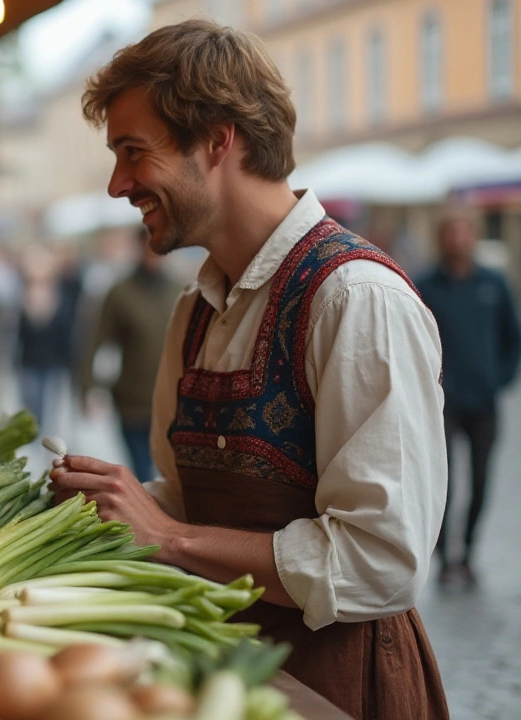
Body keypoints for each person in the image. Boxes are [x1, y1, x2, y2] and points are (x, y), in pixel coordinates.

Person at [48, 20, 448, 718]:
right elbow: (185, 500)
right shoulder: (195, 307)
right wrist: (110, 510)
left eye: (133, 152)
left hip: (337, 687)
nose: (118, 184)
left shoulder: (356, 300)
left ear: (217, 139)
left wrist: (166, 536)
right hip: (221, 670)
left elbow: (380, 564)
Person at [417, 212, 521, 585]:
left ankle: (469, 551)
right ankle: (446, 557)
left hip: (484, 402)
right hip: (441, 403)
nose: (458, 240)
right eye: (451, 233)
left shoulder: (493, 283)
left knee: (480, 481)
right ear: (441, 238)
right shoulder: (424, 284)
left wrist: (501, 378)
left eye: (464, 233)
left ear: (473, 238)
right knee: (443, 484)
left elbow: (514, 335)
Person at [77, 229, 184, 482]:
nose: (153, 253)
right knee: (142, 474)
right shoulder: (119, 292)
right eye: (148, 246)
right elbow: (94, 342)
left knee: (172, 476)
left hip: (173, 402)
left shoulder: (181, 291)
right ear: (139, 248)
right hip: (133, 402)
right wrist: (87, 388)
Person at [15, 246, 81, 434]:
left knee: (49, 405)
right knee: (32, 401)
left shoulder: (62, 293)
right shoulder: (22, 295)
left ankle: (42, 435)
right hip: (29, 359)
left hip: (53, 360)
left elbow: (67, 330)